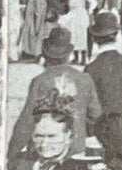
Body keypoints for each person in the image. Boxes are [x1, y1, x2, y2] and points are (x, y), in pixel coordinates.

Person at [7, 28, 102, 162]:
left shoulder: (40, 81)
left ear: (45, 55)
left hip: (46, 150)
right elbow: (96, 116)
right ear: (68, 55)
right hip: (76, 149)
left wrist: (12, 154)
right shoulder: (85, 79)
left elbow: (27, 121)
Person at [85, 9, 122, 118]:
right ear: (116, 36)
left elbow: (89, 105)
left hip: (101, 124)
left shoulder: (91, 68)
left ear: (95, 39)